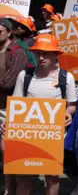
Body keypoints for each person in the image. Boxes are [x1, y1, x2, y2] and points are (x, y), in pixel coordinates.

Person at [8, 34, 77, 195]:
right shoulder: (24, 76)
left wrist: (68, 113)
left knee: (52, 178)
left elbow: (72, 104)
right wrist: (9, 124)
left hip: (53, 135)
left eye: (46, 53)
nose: (41, 57)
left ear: (55, 55)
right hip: (27, 134)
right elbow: (17, 105)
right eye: (38, 53)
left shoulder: (66, 77)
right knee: (24, 177)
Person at [0, 18, 28, 194]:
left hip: (8, 110)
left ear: (9, 32)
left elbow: (8, 83)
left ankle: (14, 187)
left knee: (8, 152)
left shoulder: (17, 53)